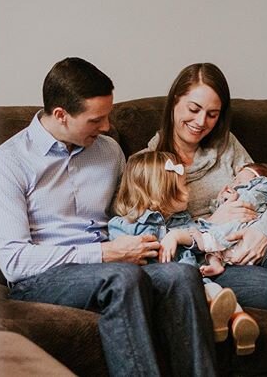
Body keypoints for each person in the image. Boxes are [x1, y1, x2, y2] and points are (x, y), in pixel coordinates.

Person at [0, 57, 217, 376]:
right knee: (121, 276)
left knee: (180, 275)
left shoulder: (108, 151)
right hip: (44, 279)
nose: (106, 127)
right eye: (96, 120)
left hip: (114, 266)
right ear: (62, 116)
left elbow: (132, 209)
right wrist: (106, 253)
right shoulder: (7, 164)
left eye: (108, 116)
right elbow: (14, 262)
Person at [143, 62, 267, 376]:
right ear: (174, 101)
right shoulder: (151, 162)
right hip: (212, 258)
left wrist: (263, 230)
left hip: (254, 242)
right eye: (193, 109)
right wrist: (215, 221)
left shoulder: (227, 145)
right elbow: (151, 224)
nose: (200, 122)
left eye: (212, 114)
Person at [107, 150, 259, 355]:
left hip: (197, 279)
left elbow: (201, 241)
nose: (188, 191)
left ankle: (240, 322)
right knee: (206, 293)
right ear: (161, 192)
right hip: (164, 287)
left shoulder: (181, 220)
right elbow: (125, 261)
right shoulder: (124, 226)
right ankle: (216, 319)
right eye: (182, 187)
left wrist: (188, 243)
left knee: (217, 292)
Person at [195, 162, 267, 277]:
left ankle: (209, 242)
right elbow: (219, 215)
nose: (235, 184)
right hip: (218, 245)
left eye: (240, 182)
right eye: (235, 180)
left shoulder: (256, 192)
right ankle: (215, 263)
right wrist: (219, 202)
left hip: (246, 241)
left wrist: (265, 230)